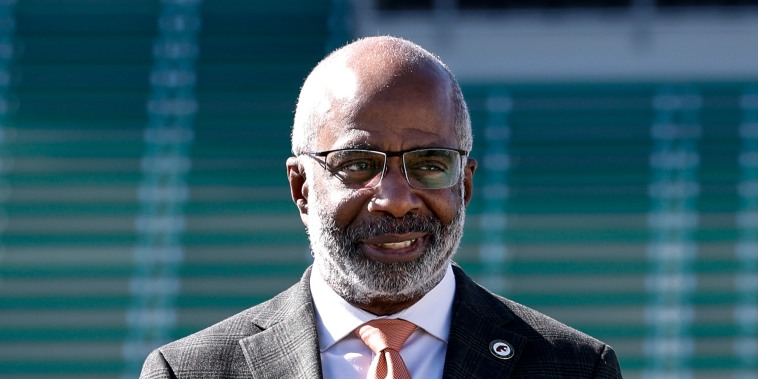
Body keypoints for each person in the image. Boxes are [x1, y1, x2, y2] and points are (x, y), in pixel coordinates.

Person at [140, 36, 622, 378]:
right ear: (301, 187)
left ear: (465, 184)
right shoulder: (190, 371)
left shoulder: (575, 368)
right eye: (356, 164)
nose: (394, 200)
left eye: (430, 163)